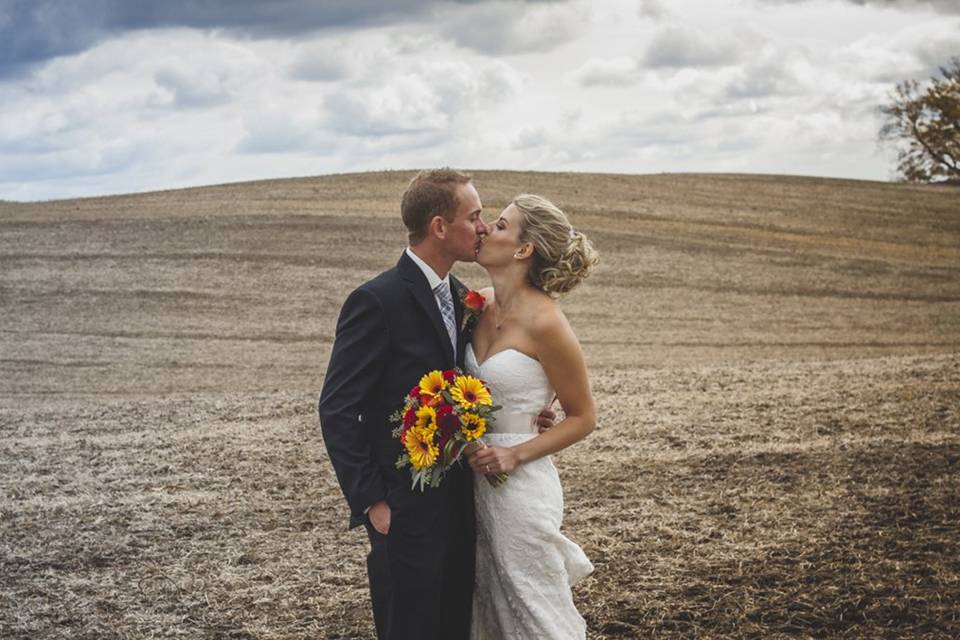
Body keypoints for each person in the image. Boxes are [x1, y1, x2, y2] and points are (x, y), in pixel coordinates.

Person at [318, 170, 554, 640]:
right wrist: (372, 502)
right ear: (439, 227)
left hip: (463, 504)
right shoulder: (376, 300)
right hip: (402, 509)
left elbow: (475, 377)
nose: (483, 227)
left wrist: (523, 410)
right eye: (474, 217)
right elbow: (338, 407)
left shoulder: (463, 298)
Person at [465, 193, 599, 639]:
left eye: (500, 225)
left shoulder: (547, 323)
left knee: (533, 606)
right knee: (482, 605)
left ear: (524, 250)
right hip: (468, 481)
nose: (485, 228)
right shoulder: (474, 304)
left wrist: (515, 454)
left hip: (519, 487)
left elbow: (582, 416)